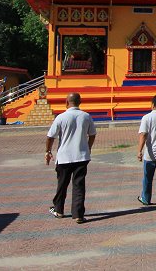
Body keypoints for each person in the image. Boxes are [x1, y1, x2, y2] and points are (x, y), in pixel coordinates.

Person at [45, 92, 96, 224]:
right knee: (79, 185)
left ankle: (59, 210)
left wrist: (48, 151)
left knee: (62, 184)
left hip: (64, 157)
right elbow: (92, 134)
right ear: (80, 102)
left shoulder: (61, 117)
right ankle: (78, 214)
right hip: (81, 156)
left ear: (66, 102)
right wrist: (88, 147)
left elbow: (50, 136)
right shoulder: (86, 116)